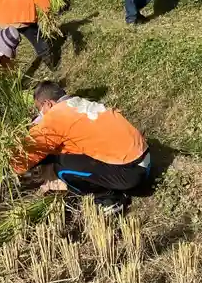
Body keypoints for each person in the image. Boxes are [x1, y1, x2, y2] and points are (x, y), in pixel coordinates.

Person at [12, 81, 151, 212]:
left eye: (39, 109)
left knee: (62, 167)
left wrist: (8, 160)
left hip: (130, 173)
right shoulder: (78, 104)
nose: (40, 115)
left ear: (47, 103)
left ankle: (110, 199)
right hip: (144, 160)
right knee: (64, 154)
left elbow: (24, 157)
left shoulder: (55, 117)